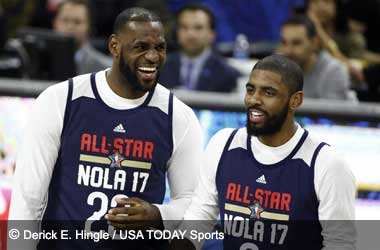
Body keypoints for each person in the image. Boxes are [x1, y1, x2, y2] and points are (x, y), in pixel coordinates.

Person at [9, 7, 203, 250]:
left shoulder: (178, 116)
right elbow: (28, 198)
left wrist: (157, 214)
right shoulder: (61, 100)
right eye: (141, 47)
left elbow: (195, 204)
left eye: (160, 48)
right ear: (114, 46)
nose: (153, 57)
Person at [172, 54, 356, 250]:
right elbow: (199, 217)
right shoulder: (224, 143)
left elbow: (340, 244)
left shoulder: (326, 163)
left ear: (295, 100)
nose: (254, 100)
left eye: (268, 93)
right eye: (250, 90)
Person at [158, 4, 241, 93]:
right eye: (184, 27)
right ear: (176, 32)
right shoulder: (159, 68)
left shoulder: (228, 74)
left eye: (198, 28)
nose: (190, 34)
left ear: (212, 34)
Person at [277, 15, 355, 101]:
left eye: (296, 43)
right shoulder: (276, 69)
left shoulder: (334, 71)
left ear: (314, 43)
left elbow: (333, 113)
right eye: (284, 43)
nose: (288, 50)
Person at [53, 0, 112, 74]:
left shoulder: (106, 69)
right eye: (65, 20)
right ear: (55, 23)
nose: (70, 27)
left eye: (77, 22)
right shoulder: (40, 60)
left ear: (89, 27)